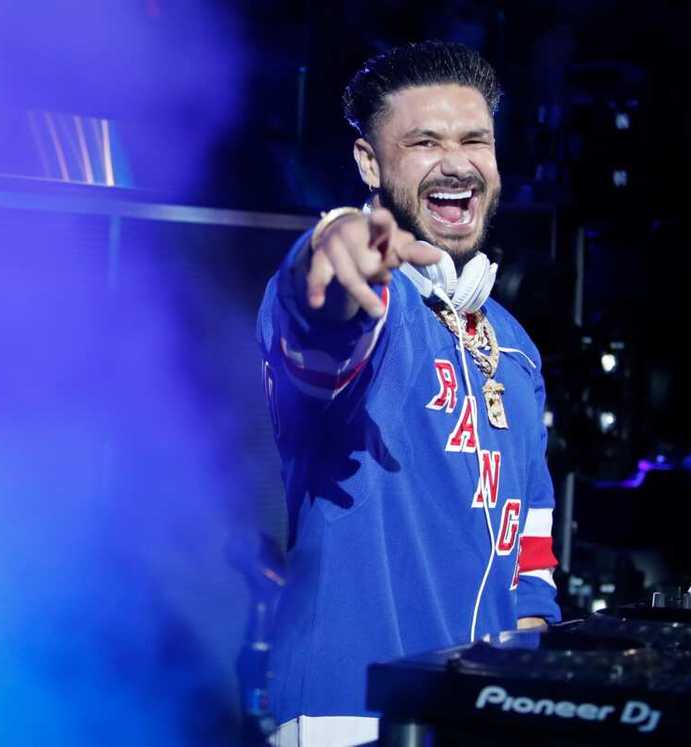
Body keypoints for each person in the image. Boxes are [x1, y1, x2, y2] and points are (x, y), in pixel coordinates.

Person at [256, 41, 560, 747]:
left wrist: (532, 661)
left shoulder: (514, 343)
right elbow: (323, 315)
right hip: (354, 722)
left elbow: (531, 552)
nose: (456, 161)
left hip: (476, 720)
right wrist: (332, 244)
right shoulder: (373, 308)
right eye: (424, 141)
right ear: (369, 163)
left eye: (473, 140)